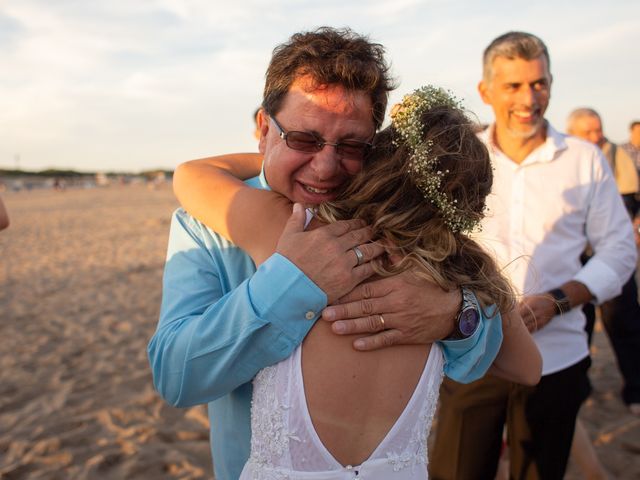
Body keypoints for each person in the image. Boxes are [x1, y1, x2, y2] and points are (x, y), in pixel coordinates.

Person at [149, 27, 506, 480]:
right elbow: (177, 377)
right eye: (303, 139)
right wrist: (290, 284)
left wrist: (457, 316)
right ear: (264, 128)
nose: (326, 166)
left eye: (353, 146)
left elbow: (484, 357)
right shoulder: (205, 224)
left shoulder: (399, 223)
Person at [430, 31, 637, 480]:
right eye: (514, 86)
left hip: (557, 358)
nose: (530, 98)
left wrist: (557, 301)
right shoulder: (458, 157)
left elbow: (619, 250)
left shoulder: (584, 159)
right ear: (485, 91)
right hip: (470, 352)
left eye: (539, 83)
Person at [567, 107, 640, 415]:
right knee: (579, 327)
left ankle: (636, 389)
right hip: (576, 257)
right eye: (588, 132)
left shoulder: (614, 154)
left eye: (598, 130)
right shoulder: (565, 160)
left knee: (625, 324)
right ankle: (579, 390)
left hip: (611, 255)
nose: (596, 137)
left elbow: (632, 198)